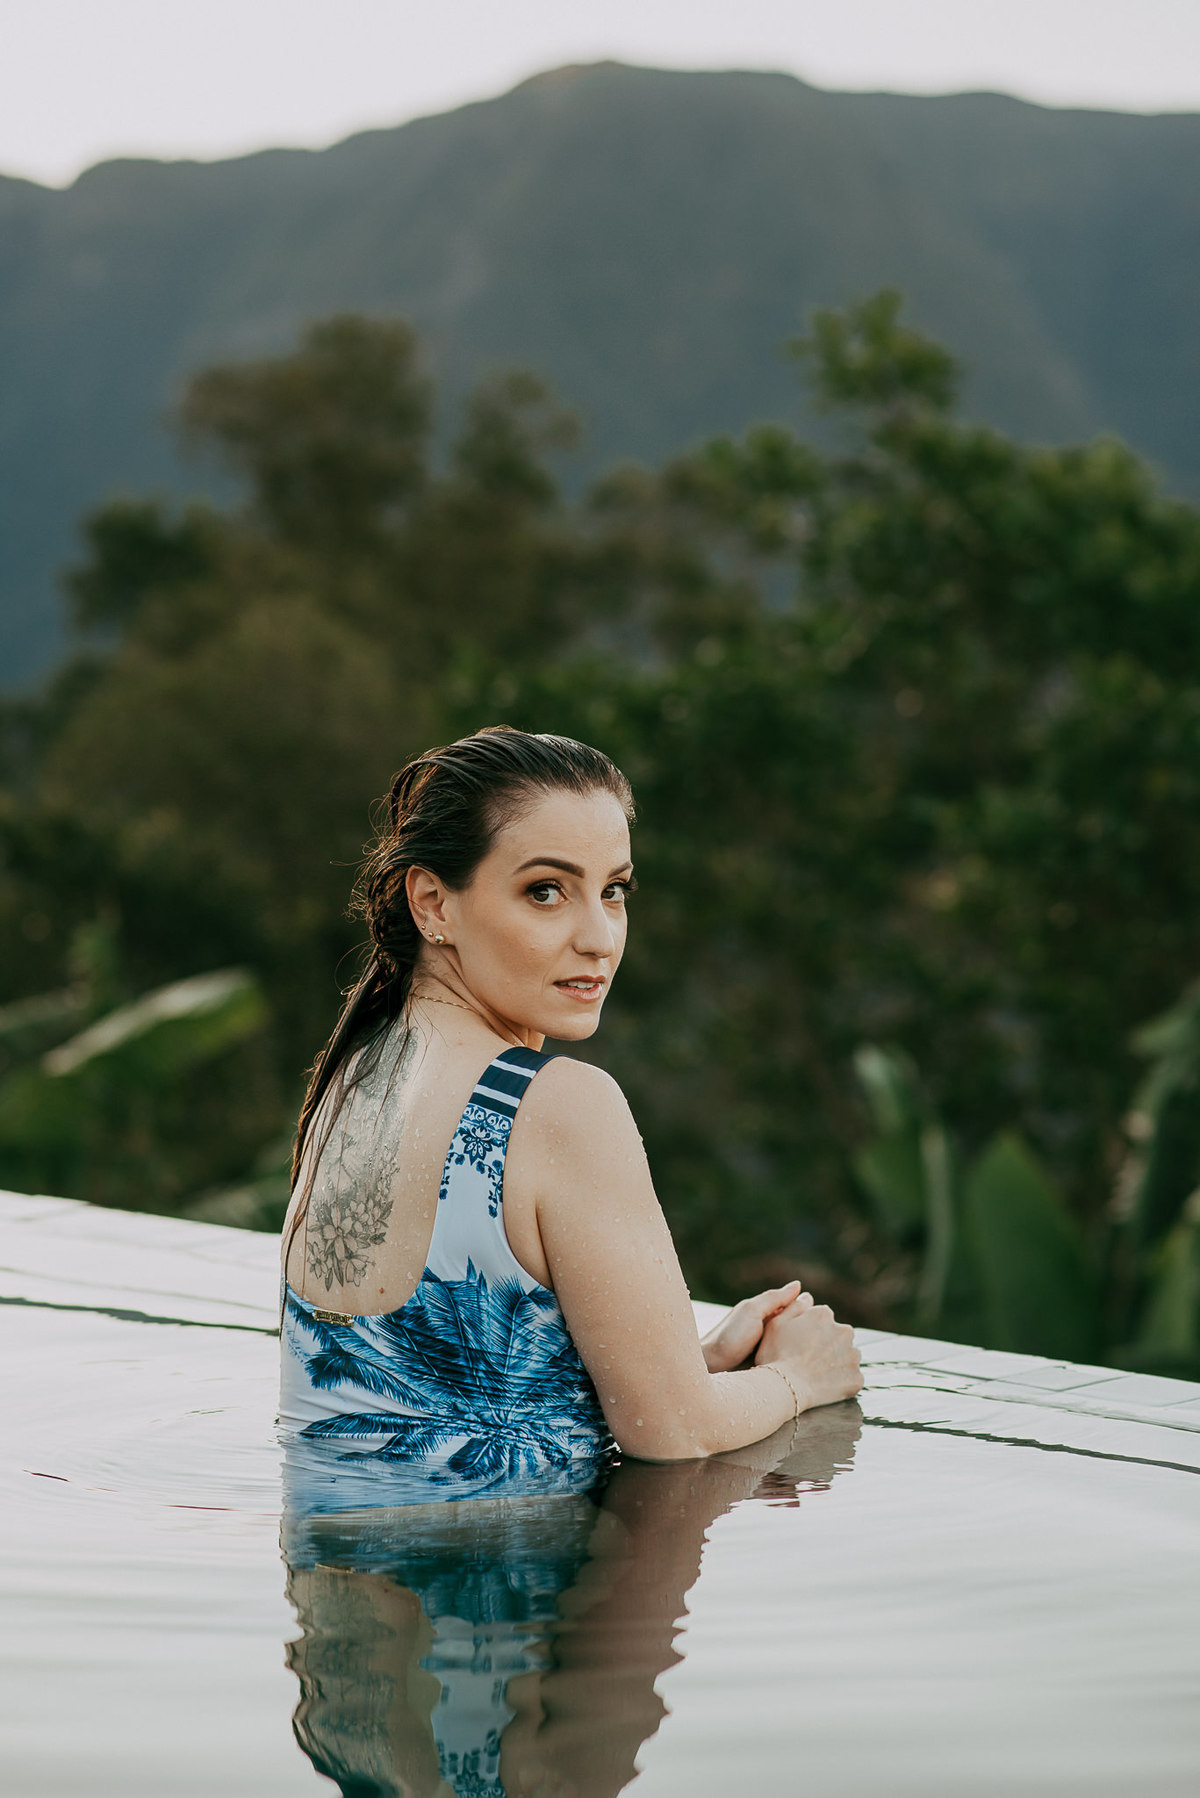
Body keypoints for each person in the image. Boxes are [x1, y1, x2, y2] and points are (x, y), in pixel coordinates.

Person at [279, 726, 861, 1501]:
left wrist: (700, 1360)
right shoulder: (555, 1104)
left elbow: (421, 1391)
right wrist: (798, 1378)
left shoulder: (356, 1075)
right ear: (431, 902)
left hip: (341, 1599)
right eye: (546, 891)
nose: (599, 938)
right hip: (500, 1604)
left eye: (613, 890)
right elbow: (673, 1435)